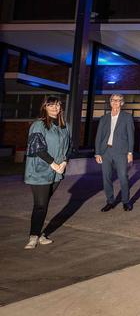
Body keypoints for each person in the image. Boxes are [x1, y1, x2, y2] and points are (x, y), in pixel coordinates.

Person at [24, 96, 71, 249]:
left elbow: (69, 147)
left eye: (57, 105)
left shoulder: (65, 126)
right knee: (40, 204)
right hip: (41, 170)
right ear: (45, 107)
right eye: (51, 105)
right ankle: (34, 236)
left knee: (44, 204)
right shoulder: (39, 125)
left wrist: (64, 162)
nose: (54, 108)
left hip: (57, 172)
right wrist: (53, 164)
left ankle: (40, 234)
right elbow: (37, 148)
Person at [94, 94, 135, 212]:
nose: (116, 102)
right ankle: (110, 201)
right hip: (105, 152)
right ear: (110, 102)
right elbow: (98, 137)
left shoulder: (127, 117)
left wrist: (130, 152)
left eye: (118, 100)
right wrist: (97, 153)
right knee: (106, 178)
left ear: (122, 103)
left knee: (123, 177)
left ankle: (126, 201)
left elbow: (131, 136)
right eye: (113, 100)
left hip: (121, 152)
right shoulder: (104, 118)